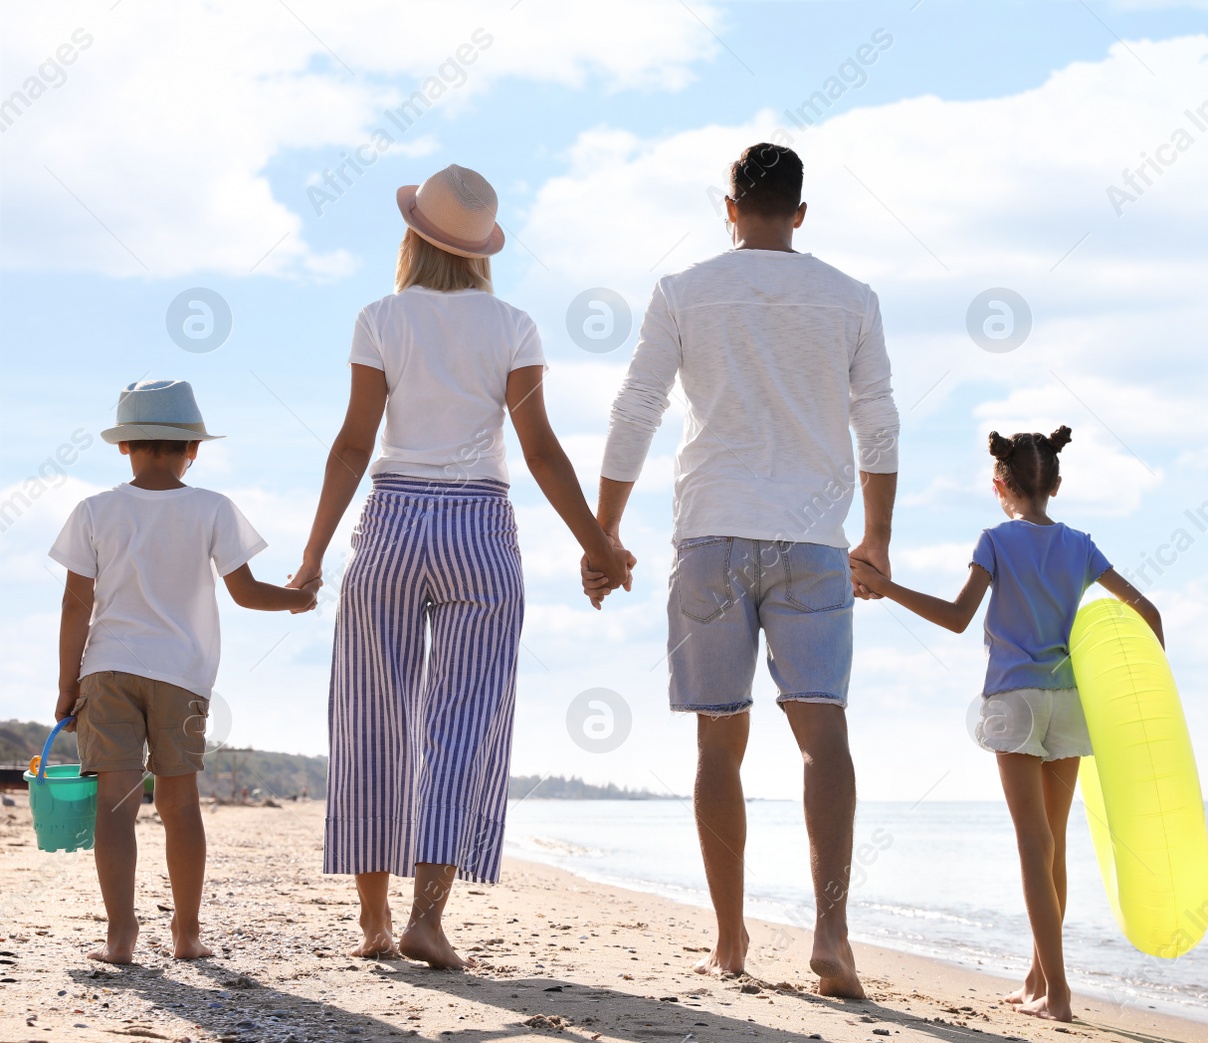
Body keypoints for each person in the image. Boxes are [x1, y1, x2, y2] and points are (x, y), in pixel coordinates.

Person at [288, 164, 631, 969]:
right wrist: (596, 542)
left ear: (413, 235)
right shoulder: (513, 324)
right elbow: (541, 450)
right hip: (479, 524)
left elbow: (351, 443)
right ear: (482, 250)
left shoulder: (379, 317)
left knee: (372, 716)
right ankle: (428, 918)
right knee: (465, 722)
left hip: (393, 523)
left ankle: (373, 919)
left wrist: (311, 555)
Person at [585, 143, 899, 998]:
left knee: (719, 742)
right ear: (800, 212)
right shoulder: (851, 298)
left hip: (714, 532)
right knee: (822, 732)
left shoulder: (685, 290)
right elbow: (878, 419)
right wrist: (877, 534)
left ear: (728, 207)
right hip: (814, 541)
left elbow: (637, 407)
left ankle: (729, 939)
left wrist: (606, 530)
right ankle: (831, 932)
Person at [849, 426, 1163, 1023]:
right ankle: (1036, 979)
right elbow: (1145, 611)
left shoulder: (996, 540)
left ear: (1001, 484)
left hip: (1016, 701)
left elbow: (957, 618)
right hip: (1071, 702)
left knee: (1031, 845)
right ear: (1057, 484)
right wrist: (1151, 702)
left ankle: (1060, 995)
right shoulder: (1080, 545)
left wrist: (887, 589)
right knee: (1054, 845)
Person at [50, 379, 319, 964]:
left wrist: (68, 685)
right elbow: (246, 593)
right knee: (180, 806)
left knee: (115, 805)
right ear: (192, 448)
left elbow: (76, 604)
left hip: (107, 671)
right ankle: (187, 932)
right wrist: (296, 599)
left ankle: (120, 936)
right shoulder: (212, 507)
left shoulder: (94, 510)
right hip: (182, 676)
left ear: (125, 446)